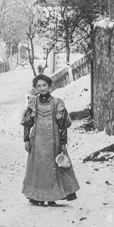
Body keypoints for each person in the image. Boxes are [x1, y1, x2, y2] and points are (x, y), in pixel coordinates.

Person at [20, 71, 78, 206]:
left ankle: (52, 197)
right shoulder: (33, 102)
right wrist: (26, 140)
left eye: (44, 85)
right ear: (36, 88)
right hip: (37, 140)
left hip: (54, 140)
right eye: (39, 86)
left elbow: (63, 125)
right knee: (38, 168)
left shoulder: (57, 102)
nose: (42, 88)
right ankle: (37, 197)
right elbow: (27, 123)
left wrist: (63, 142)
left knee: (53, 168)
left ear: (49, 86)